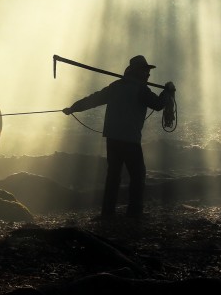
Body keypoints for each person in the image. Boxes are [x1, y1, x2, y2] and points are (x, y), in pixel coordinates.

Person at [63, 55, 175, 218]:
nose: (148, 74)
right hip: (130, 140)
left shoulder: (116, 87)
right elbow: (158, 105)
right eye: (145, 71)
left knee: (113, 176)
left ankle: (107, 213)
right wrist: (167, 91)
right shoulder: (141, 90)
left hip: (113, 138)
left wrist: (73, 108)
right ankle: (134, 212)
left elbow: (93, 99)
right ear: (138, 72)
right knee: (137, 175)